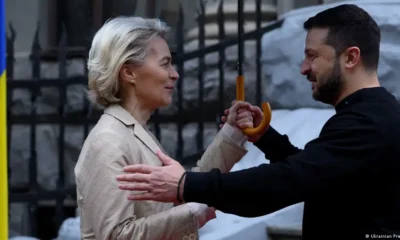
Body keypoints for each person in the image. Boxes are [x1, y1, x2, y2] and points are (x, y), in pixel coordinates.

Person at [116, 4, 400, 240]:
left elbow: (279, 185)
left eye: (312, 56)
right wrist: (265, 137)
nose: (303, 68)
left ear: (350, 57)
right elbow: (319, 177)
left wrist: (185, 184)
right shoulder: (372, 114)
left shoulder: (366, 124)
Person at [74, 16, 257, 240]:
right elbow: (116, 236)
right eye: (165, 63)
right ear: (129, 72)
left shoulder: (131, 132)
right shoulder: (108, 141)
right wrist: (191, 212)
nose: (174, 73)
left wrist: (232, 134)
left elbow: (180, 189)